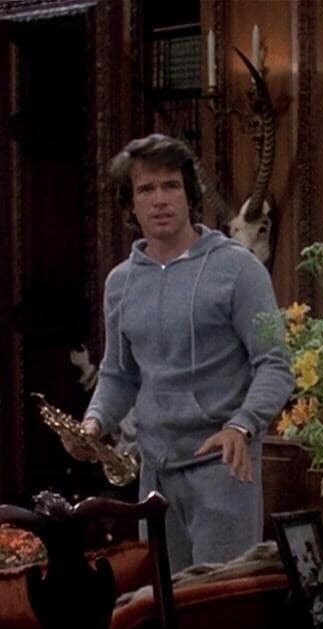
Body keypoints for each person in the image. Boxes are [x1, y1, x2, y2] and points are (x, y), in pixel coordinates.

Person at [69, 134, 292, 570]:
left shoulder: (237, 269)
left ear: (190, 195)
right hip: (155, 473)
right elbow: (119, 374)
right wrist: (92, 426)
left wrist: (243, 425)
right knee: (164, 601)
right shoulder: (121, 282)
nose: (160, 200)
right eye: (146, 189)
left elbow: (275, 364)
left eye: (170, 185)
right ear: (131, 204)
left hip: (223, 465)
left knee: (218, 601)